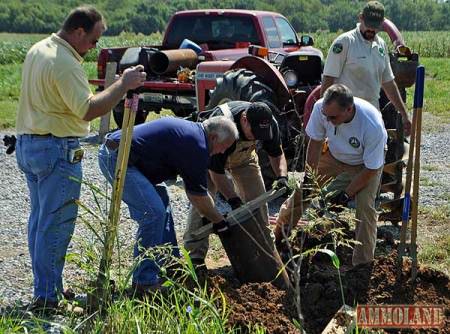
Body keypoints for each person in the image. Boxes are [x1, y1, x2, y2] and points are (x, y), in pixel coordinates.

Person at [15, 6, 146, 309]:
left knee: (40, 222)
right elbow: (88, 108)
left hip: (29, 144)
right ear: (78, 32)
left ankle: (49, 288)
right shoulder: (64, 63)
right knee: (56, 225)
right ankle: (47, 298)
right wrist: (123, 85)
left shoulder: (39, 49)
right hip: (56, 149)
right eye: (93, 40)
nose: (93, 47)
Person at [98, 116, 238, 294]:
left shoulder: (193, 136)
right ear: (214, 137)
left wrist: (213, 218)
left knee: (162, 201)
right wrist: (220, 222)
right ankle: (143, 282)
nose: (221, 152)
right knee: (154, 213)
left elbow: (197, 192)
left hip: (131, 160)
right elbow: (198, 197)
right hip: (119, 158)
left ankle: (171, 267)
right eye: (224, 147)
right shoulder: (196, 145)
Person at [275, 84, 387, 267]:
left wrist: (346, 194)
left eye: (333, 117)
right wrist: (310, 177)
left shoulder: (371, 125)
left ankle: (362, 264)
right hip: (333, 155)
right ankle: (279, 241)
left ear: (349, 109)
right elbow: (316, 142)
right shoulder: (322, 109)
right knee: (301, 193)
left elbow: (371, 169)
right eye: (326, 116)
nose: (328, 120)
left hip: (363, 165)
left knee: (365, 208)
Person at [183, 101, 288, 269]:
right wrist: (233, 200)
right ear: (245, 120)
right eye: (254, 133)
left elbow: (276, 153)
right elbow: (216, 172)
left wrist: (282, 176)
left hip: (244, 159)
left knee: (259, 202)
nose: (257, 137)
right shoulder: (223, 123)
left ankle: (267, 251)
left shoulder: (268, 123)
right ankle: (194, 259)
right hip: (210, 158)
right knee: (202, 202)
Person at [320, 1, 411, 136]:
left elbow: (388, 83)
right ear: (361, 17)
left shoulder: (381, 46)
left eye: (376, 27)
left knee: (377, 153)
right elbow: (328, 79)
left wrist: (404, 113)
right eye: (369, 25)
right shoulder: (345, 42)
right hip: (346, 117)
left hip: (372, 115)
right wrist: (324, 114)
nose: (372, 30)